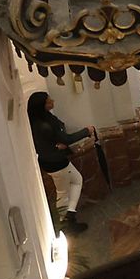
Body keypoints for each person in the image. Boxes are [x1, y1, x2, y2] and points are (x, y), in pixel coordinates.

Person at [27, 91, 93, 233]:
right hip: (56, 162)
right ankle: (66, 223)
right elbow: (66, 139)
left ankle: (70, 213)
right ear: (42, 106)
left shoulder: (36, 120)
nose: (52, 100)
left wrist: (56, 144)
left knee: (77, 180)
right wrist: (86, 131)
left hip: (49, 160)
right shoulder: (44, 124)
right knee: (63, 192)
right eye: (48, 100)